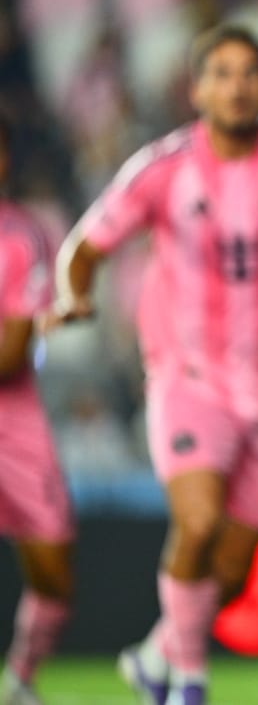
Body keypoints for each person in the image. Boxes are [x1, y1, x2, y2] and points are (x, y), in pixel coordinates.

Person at [46, 24, 258, 705]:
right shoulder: (163, 168)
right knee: (198, 524)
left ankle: (156, 652)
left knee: (232, 567)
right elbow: (88, 242)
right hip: (189, 378)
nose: (238, 86)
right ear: (196, 87)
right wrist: (75, 294)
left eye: (250, 71)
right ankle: (189, 680)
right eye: (222, 73)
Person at [0, 117, 76, 705]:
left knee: (52, 567)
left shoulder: (22, 237)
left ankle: (21, 679)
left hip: (13, 421)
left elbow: (10, 354)